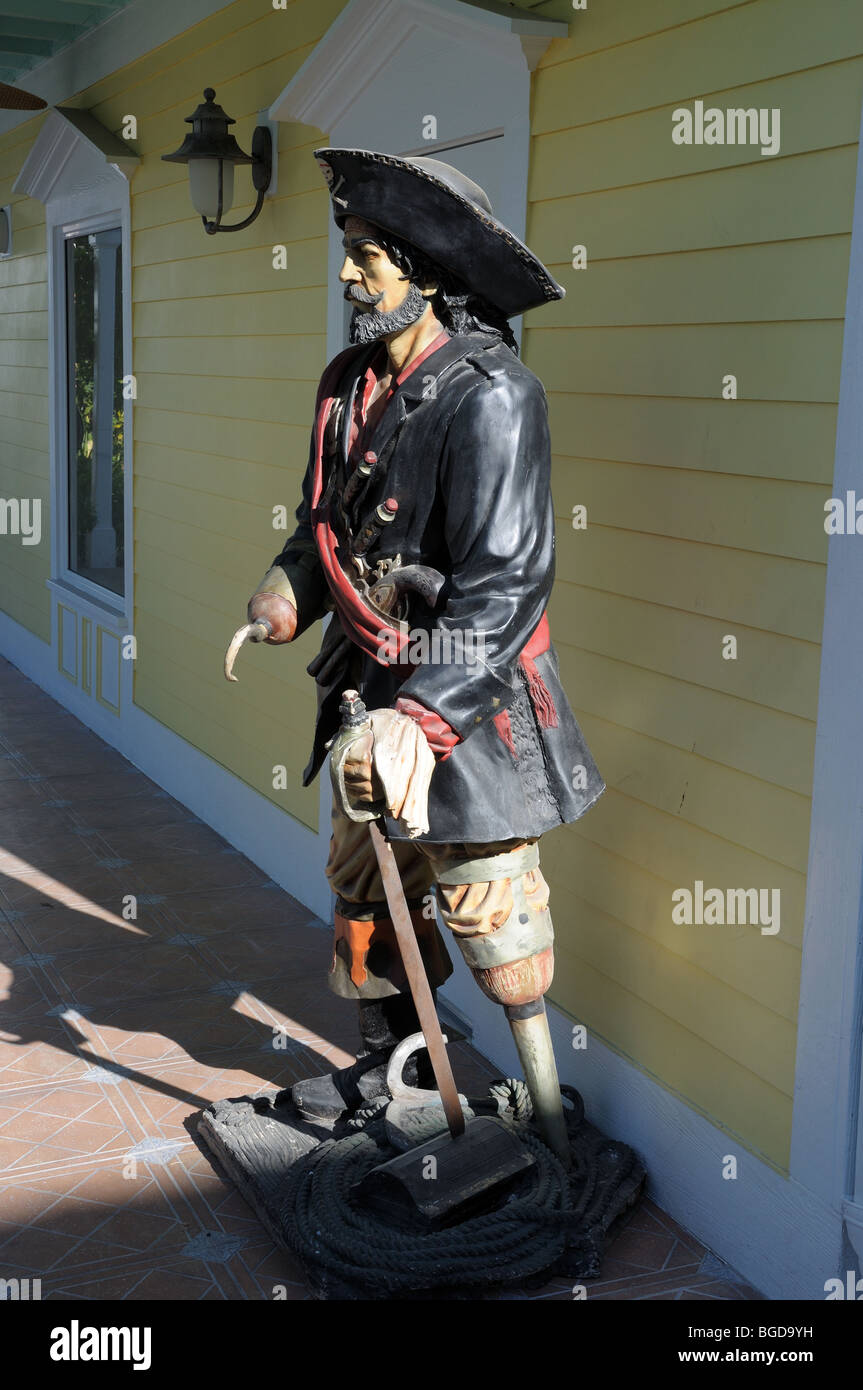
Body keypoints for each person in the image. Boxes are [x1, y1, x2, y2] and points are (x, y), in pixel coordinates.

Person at [224, 148, 605, 1153]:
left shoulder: (494, 397)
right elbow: (325, 525)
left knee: (497, 918)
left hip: (467, 708)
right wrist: (281, 598)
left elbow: (509, 582)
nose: (347, 276)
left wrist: (423, 716)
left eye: (366, 257)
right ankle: (388, 1072)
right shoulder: (347, 382)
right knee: (363, 892)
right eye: (346, 253)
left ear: (427, 274)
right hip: (363, 692)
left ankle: (540, 1117)